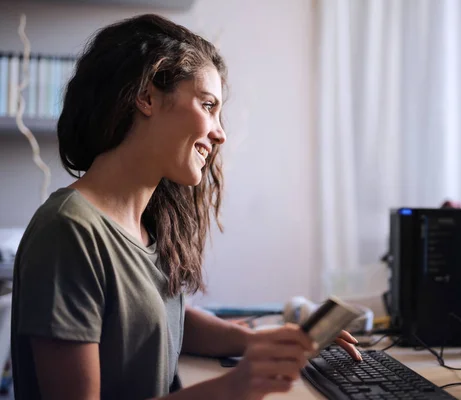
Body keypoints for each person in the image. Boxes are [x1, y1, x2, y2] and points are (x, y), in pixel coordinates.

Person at [10, 14, 361, 400]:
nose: (220, 133)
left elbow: (160, 318)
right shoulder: (69, 232)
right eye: (208, 105)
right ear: (145, 97)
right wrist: (234, 386)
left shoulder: (144, 224)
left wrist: (264, 342)